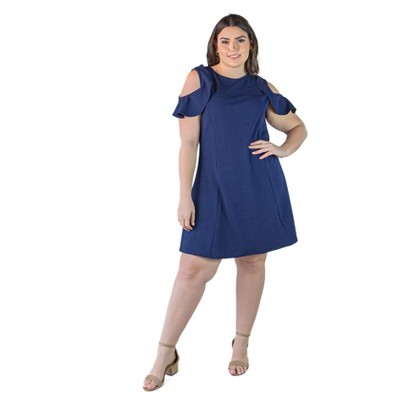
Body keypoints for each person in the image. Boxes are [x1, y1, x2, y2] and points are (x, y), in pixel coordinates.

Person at [143, 13, 307, 391]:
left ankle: (241, 343)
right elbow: (188, 143)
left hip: (258, 185)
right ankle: (164, 353)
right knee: (193, 270)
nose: (233, 48)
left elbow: (298, 128)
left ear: (251, 46)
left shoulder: (262, 87)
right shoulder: (200, 79)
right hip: (212, 188)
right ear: (215, 45)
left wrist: (282, 149)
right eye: (225, 41)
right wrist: (185, 195)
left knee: (252, 262)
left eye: (240, 40)